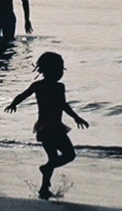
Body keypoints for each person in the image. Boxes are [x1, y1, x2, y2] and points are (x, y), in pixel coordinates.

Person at [8, 49, 89, 199]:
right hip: (54, 128)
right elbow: (63, 105)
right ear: (47, 69)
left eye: (61, 69)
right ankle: (46, 169)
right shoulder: (58, 87)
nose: (60, 72)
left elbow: (22, 96)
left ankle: (44, 188)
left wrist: (14, 104)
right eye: (58, 69)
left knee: (53, 157)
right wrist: (76, 117)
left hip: (43, 128)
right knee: (69, 155)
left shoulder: (38, 85)